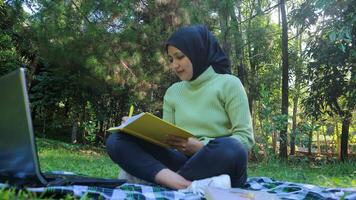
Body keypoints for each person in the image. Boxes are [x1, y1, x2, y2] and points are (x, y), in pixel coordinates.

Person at [106, 25, 254, 191]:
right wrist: (136, 128)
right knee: (117, 140)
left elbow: (245, 139)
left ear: (198, 51)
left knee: (231, 148)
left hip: (218, 163)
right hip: (182, 162)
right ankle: (184, 184)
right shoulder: (173, 92)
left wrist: (200, 147)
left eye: (180, 57)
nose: (175, 65)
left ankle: (163, 179)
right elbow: (165, 141)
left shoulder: (229, 84)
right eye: (171, 60)